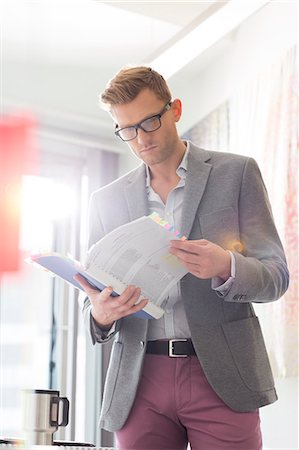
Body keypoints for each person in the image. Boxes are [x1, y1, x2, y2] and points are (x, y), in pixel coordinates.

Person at [76, 66, 289, 450]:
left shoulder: (237, 173)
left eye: (150, 121)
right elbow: (92, 291)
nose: (141, 138)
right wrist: (100, 313)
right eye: (127, 130)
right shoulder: (104, 200)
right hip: (139, 379)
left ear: (175, 109)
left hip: (222, 373)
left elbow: (276, 276)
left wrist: (227, 265)